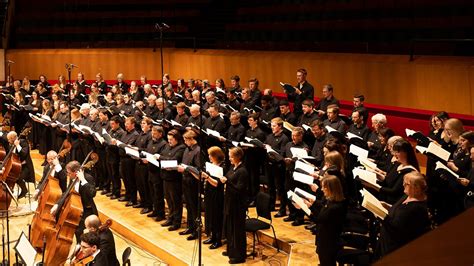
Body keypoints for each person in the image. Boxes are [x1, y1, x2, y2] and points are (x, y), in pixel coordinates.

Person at [376, 172, 431, 259]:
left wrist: (380, 215)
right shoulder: (408, 195)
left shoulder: (416, 208)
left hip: (394, 248)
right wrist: (387, 206)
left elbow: (397, 229)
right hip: (387, 239)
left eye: (406, 183)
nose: (403, 184)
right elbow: (398, 209)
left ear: (416, 188)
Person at [302, 175, 347, 266]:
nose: (322, 189)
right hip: (326, 239)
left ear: (331, 189)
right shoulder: (333, 201)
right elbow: (323, 211)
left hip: (328, 242)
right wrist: (313, 203)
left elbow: (319, 219)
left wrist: (306, 208)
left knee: (327, 262)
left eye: (324, 187)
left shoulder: (334, 207)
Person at [51, 161, 97, 240]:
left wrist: (83, 180)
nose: (67, 175)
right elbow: (66, 192)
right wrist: (57, 204)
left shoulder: (88, 178)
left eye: (69, 173)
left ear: (75, 172)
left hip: (87, 210)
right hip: (76, 208)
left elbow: (92, 193)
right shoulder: (72, 178)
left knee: (78, 230)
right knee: (74, 228)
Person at [222, 147, 248, 264]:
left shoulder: (243, 171)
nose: (229, 158)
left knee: (237, 230)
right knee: (230, 228)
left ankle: (239, 256)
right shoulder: (233, 167)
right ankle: (231, 250)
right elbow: (228, 178)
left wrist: (226, 182)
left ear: (237, 157)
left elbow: (239, 189)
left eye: (231, 156)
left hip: (238, 205)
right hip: (230, 202)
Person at [177, 130, 202, 240]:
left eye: (186, 140)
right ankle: (190, 227)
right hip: (185, 180)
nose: (185, 142)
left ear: (192, 139)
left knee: (194, 207)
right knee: (188, 205)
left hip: (193, 182)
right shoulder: (187, 149)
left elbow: (198, 169)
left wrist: (186, 168)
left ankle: (196, 230)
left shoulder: (198, 151)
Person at [159, 129, 186, 231]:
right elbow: (164, 156)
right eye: (168, 139)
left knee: (176, 201)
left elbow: (173, 160)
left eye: (171, 139)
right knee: (169, 200)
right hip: (166, 177)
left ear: (177, 139)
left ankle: (176, 222)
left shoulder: (181, 148)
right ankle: (170, 218)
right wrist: (163, 158)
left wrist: (161, 158)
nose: (169, 141)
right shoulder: (167, 146)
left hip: (175, 179)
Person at [202, 146, 226, 249]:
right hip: (209, 193)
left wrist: (207, 177)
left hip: (217, 195)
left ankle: (218, 239)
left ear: (216, 156)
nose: (209, 157)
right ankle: (212, 236)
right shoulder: (211, 165)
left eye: (210, 155)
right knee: (210, 215)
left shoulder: (223, 167)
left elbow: (217, 184)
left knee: (216, 217)